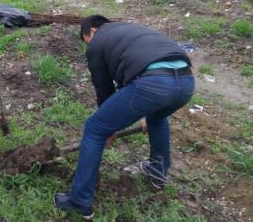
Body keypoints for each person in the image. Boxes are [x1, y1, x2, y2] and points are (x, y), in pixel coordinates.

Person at [54, 15, 195, 219]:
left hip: (153, 84)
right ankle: (157, 172)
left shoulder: (97, 41)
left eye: (86, 41)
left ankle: (79, 202)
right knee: (156, 118)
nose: (88, 46)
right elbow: (131, 75)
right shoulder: (130, 30)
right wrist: (146, 111)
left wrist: (109, 128)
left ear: (92, 31)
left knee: (94, 128)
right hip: (186, 82)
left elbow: (104, 88)